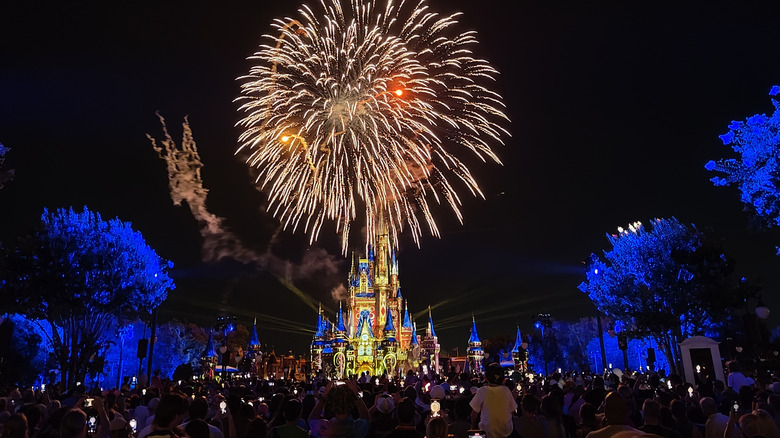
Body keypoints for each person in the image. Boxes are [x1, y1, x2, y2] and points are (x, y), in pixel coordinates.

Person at [469, 364, 517, 438]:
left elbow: (474, 413)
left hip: (487, 433)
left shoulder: (482, 391)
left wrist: (473, 428)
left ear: (486, 377)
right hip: (506, 432)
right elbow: (512, 411)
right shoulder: (506, 390)